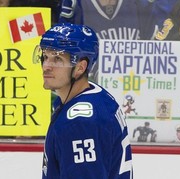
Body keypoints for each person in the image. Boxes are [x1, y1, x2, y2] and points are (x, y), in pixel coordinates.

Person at [35, 23, 133, 178]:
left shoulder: (80, 123)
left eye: (58, 59)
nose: (46, 66)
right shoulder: (96, 95)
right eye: (45, 57)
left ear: (80, 67)